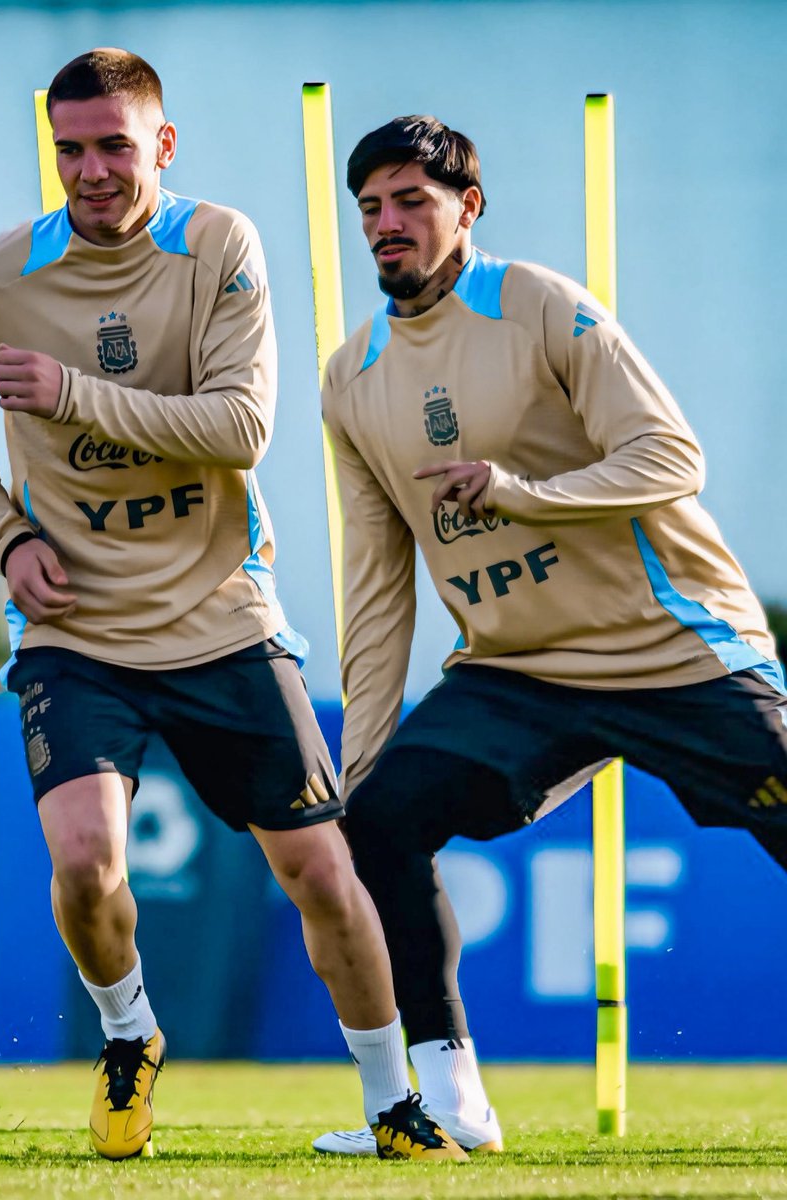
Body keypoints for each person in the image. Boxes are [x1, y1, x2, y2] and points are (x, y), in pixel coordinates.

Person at [0, 57, 469, 1163]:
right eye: (70, 149)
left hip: (222, 616)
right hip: (75, 629)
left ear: (162, 146)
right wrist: (7, 535)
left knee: (321, 871)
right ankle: (129, 1035)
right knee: (82, 862)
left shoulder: (220, 244)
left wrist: (71, 393)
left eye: (115, 145)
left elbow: (238, 428)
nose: (91, 170)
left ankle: (393, 1100)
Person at [314, 114, 787, 1156]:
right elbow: (378, 584)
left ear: (467, 208)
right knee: (383, 820)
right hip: (518, 670)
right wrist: (361, 758)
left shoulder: (541, 305)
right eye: (372, 210)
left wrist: (523, 494)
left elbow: (672, 457)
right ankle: (449, 1103)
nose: (386, 226)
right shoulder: (351, 378)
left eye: (410, 203)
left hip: (673, 645)